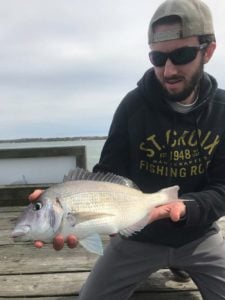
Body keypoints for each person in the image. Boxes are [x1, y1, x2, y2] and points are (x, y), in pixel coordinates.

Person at [30, 0, 225, 298]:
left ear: (208, 51)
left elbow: (223, 187)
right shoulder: (133, 106)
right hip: (138, 235)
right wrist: (70, 199)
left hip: (199, 235)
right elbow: (109, 172)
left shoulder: (222, 111)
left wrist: (187, 208)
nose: (168, 69)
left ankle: (183, 264)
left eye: (182, 55)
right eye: (157, 58)